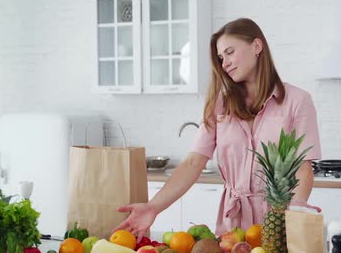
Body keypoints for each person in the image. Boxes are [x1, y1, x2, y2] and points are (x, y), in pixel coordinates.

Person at [114, 18, 321, 240]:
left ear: (257, 47)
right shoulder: (220, 104)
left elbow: (303, 168)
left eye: (230, 52)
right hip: (231, 227)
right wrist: (153, 207)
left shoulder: (297, 101)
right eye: (221, 58)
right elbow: (193, 162)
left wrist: (297, 209)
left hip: (279, 222)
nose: (225, 64)